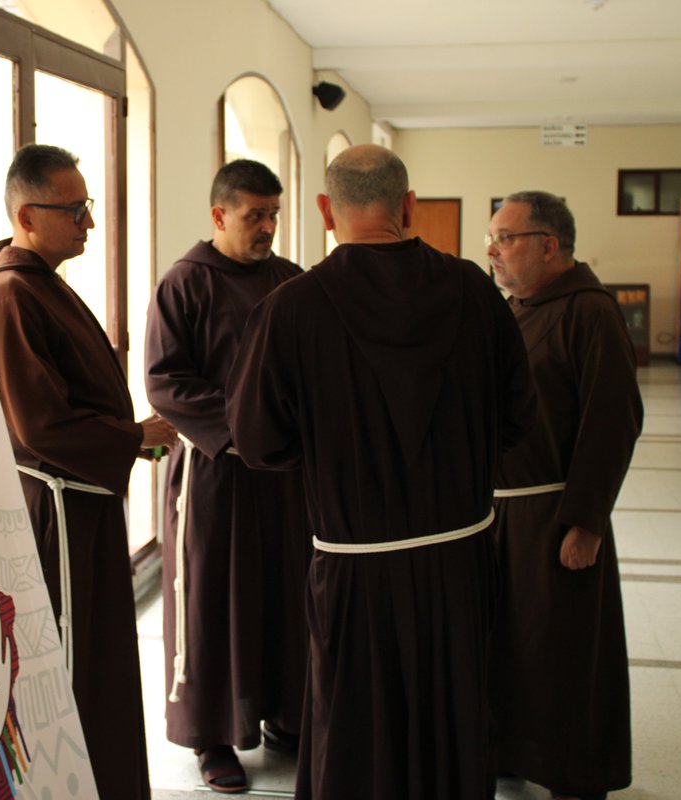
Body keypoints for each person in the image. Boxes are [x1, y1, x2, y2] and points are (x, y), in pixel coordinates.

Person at [226, 144, 534, 800]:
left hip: (353, 567)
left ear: (324, 210)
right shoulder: (477, 293)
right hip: (460, 562)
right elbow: (517, 422)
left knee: (354, 727)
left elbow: (257, 442)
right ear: (409, 205)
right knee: (454, 720)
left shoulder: (292, 307)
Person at [0, 143, 176, 800]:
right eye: (76, 209)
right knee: (72, 669)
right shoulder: (9, 295)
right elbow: (39, 425)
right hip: (56, 516)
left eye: (89, 207)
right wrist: (133, 435)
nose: (89, 222)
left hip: (82, 508)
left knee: (101, 665)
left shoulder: (38, 284)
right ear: (28, 215)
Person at [145, 159, 309, 793]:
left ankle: (284, 714)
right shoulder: (184, 283)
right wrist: (250, 431)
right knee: (213, 599)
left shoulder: (291, 282)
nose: (267, 226)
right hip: (215, 475)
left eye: (273, 214)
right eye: (254, 216)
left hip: (283, 477)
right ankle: (212, 736)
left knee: (282, 592)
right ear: (219, 215)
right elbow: (165, 382)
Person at [487, 191, 643, 800]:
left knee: (563, 649)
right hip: (503, 511)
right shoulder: (518, 308)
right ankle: (511, 748)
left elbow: (613, 420)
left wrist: (586, 521)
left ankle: (577, 773)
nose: (493, 251)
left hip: (557, 514)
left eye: (505, 238)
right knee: (512, 645)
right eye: (491, 240)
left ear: (548, 245)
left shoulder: (588, 311)